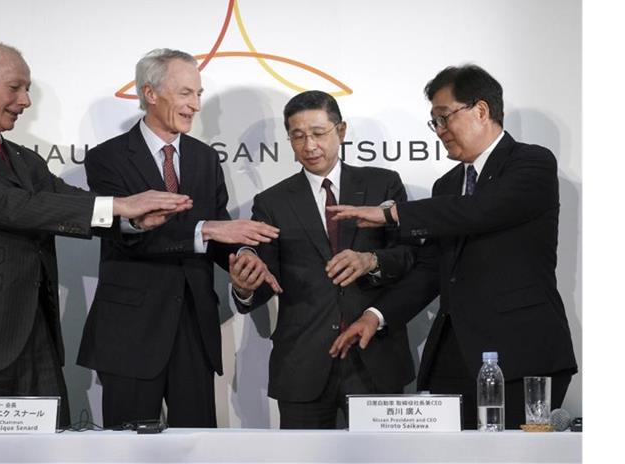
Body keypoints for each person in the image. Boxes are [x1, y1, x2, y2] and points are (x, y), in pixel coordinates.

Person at [0, 41, 191, 428]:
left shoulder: (24, 159)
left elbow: (69, 201)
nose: (25, 100)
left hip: (37, 346)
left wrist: (134, 220)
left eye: (27, 90)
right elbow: (9, 206)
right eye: (16, 88)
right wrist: (121, 206)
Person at [328, 65, 577, 429]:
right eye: (435, 123)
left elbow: (480, 210)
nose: (440, 132)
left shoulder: (531, 163)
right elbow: (431, 270)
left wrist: (393, 214)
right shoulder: (446, 185)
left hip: (523, 355)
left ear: (481, 110)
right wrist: (375, 316)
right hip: (455, 355)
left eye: (444, 118)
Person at [76, 48, 280, 428]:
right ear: (151, 93)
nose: (196, 105)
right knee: (128, 452)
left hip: (194, 328)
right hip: (131, 333)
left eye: (199, 95)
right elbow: (127, 236)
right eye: (187, 93)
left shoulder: (205, 158)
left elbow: (220, 234)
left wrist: (242, 262)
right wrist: (208, 229)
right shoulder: (107, 158)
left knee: (198, 446)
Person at [228, 90, 415, 429]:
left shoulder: (383, 184)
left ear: (340, 131)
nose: (309, 146)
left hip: (375, 356)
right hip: (303, 364)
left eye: (318, 133)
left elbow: (408, 258)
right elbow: (263, 278)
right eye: (298, 136)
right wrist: (244, 286)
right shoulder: (272, 202)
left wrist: (370, 260)